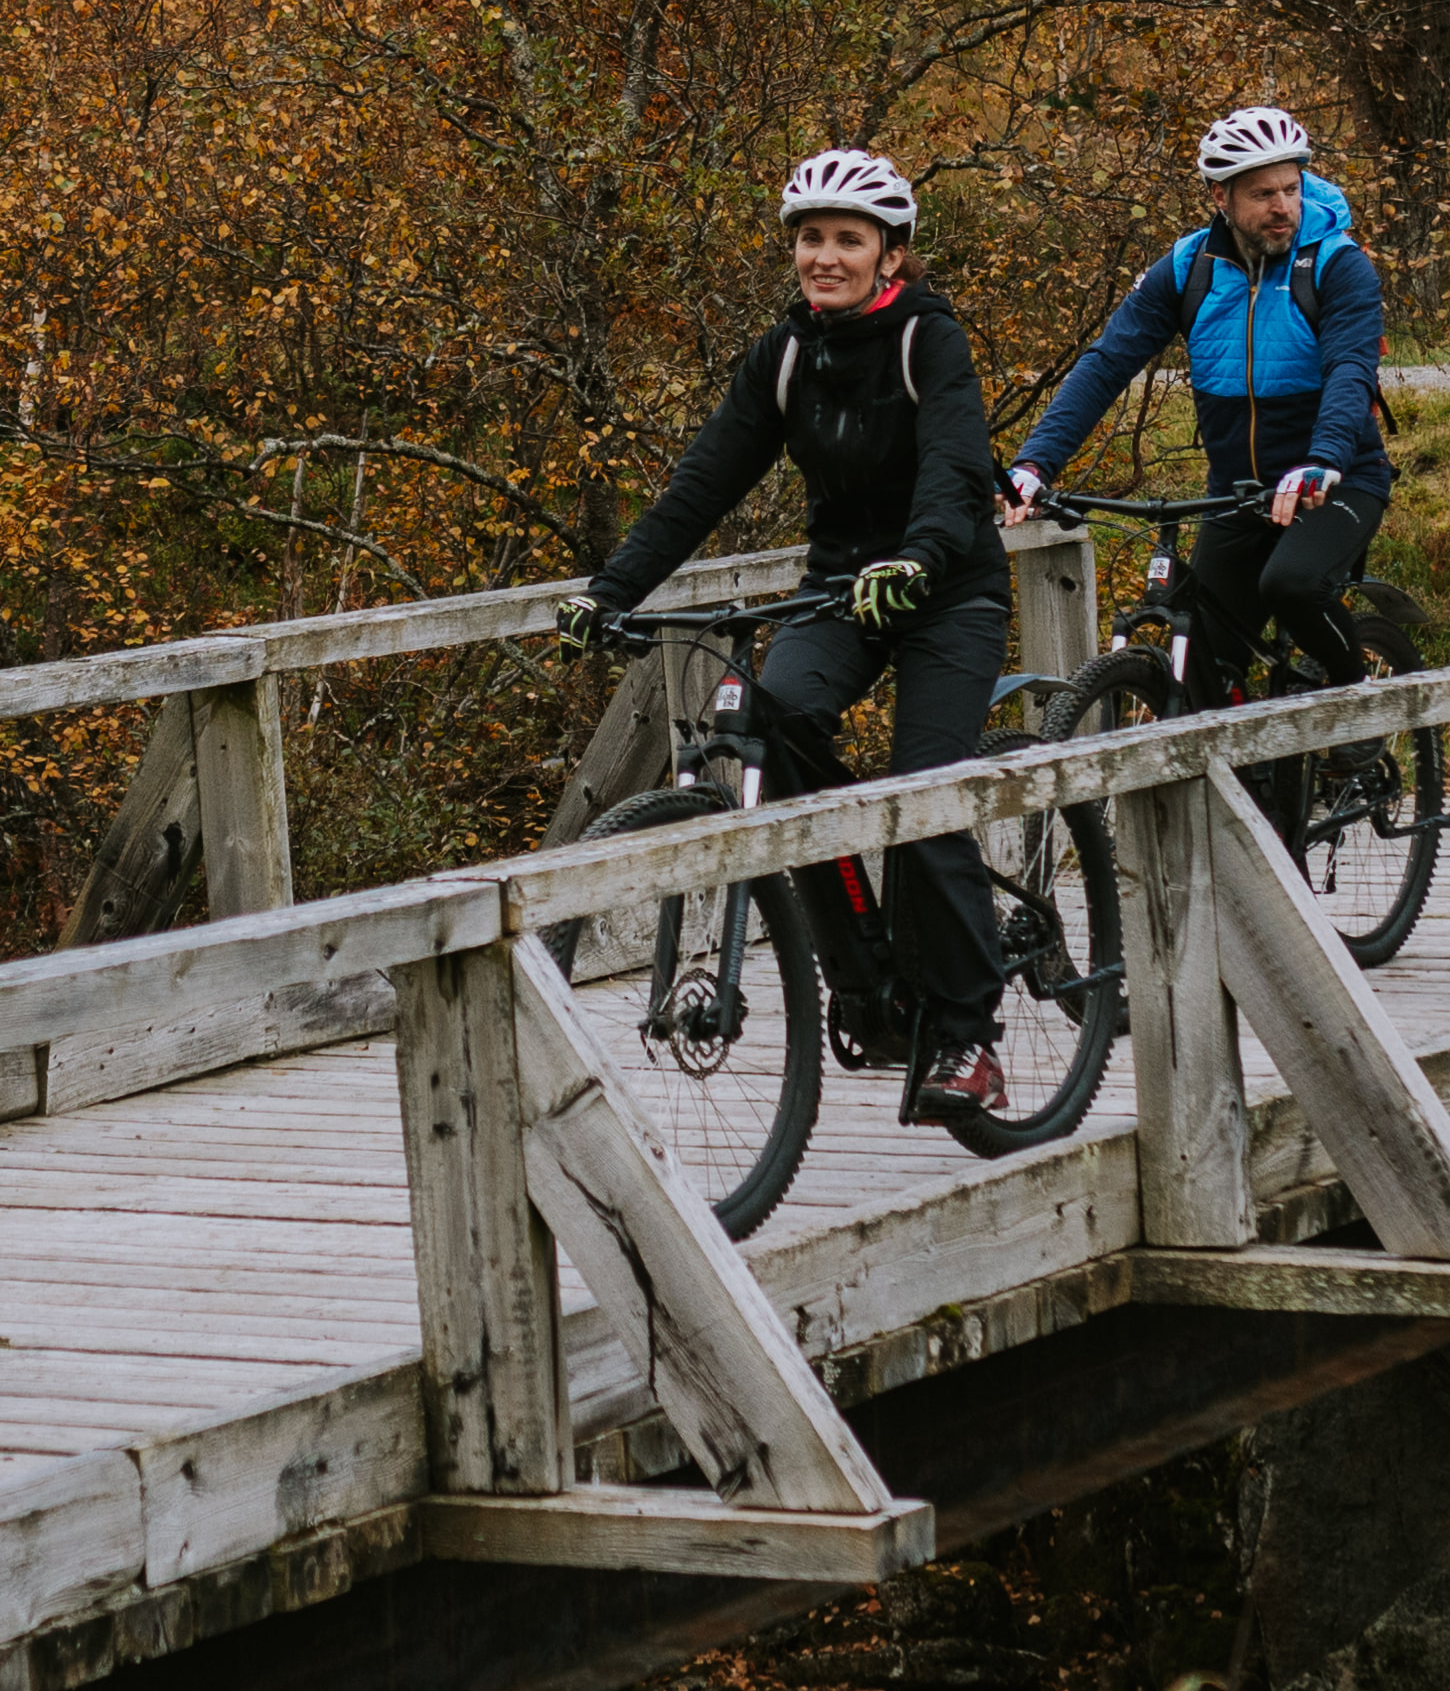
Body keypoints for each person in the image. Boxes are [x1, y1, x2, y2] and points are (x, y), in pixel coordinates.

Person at [571, 144, 1025, 1149]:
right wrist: (607, 590)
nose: (824, 256)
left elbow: (955, 468)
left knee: (921, 788)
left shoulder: (926, 341)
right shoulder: (784, 354)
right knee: (767, 719)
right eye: (810, 238)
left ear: (890, 254)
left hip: (945, 587)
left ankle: (966, 1035)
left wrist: (917, 556)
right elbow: (703, 482)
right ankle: (862, 965)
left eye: (846, 240)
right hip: (840, 584)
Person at [1001, 100, 1394, 714]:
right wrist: (1034, 465)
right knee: (1207, 653)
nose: (1283, 207)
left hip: (1335, 480)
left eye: (1291, 188)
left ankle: (1361, 713)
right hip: (1236, 492)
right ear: (1220, 196)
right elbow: (1107, 364)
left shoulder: (1338, 265)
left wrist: (1323, 459)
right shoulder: (1189, 269)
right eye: (1263, 193)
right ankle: (1253, 780)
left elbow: (1351, 367)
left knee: (1291, 585)